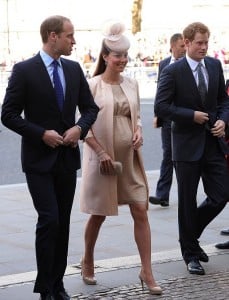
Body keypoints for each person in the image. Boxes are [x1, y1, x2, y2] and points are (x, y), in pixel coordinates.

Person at [1, 15, 99, 300]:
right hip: (38, 160)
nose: (74, 41)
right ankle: (46, 288)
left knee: (63, 223)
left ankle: (57, 285)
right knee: (50, 220)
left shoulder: (73, 68)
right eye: (70, 35)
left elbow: (90, 108)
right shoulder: (24, 70)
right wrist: (40, 133)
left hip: (66, 159)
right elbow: (8, 115)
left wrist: (79, 128)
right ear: (53, 36)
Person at [79, 22, 162, 295]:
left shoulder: (133, 83)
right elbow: (83, 126)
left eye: (126, 56)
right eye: (118, 56)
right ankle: (88, 258)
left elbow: (135, 117)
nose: (124, 60)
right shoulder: (91, 85)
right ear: (105, 57)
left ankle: (146, 270)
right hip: (102, 159)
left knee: (140, 208)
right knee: (99, 215)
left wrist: (138, 131)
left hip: (129, 158)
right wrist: (100, 152)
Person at [154, 22, 229, 276]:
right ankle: (190, 253)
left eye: (207, 42)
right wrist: (190, 116)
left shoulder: (214, 65)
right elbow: (161, 107)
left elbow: (223, 101)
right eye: (199, 43)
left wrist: (223, 120)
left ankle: (189, 236)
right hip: (185, 146)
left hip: (212, 142)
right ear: (186, 43)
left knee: (222, 193)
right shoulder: (173, 71)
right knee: (186, 201)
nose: (204, 47)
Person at [149, 33, 186, 207]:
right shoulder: (164, 64)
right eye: (181, 45)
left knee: (181, 158)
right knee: (168, 155)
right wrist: (158, 114)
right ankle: (162, 194)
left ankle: (186, 192)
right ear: (172, 46)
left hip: (183, 117)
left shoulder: (188, 64)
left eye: (185, 45)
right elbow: (160, 90)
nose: (184, 49)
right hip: (167, 117)